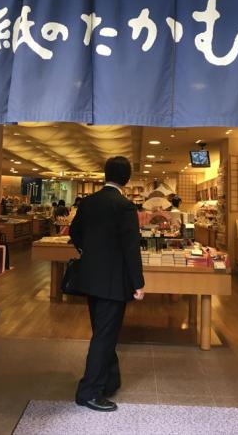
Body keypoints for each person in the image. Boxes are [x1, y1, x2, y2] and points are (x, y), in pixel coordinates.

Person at [70, 156, 145, 412]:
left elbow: (74, 232)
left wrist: (88, 252)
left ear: (105, 175)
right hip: (114, 282)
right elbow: (131, 248)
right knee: (104, 336)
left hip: (90, 278)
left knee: (103, 332)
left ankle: (110, 381)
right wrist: (138, 282)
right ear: (127, 178)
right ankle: (88, 392)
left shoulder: (88, 202)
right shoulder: (125, 206)